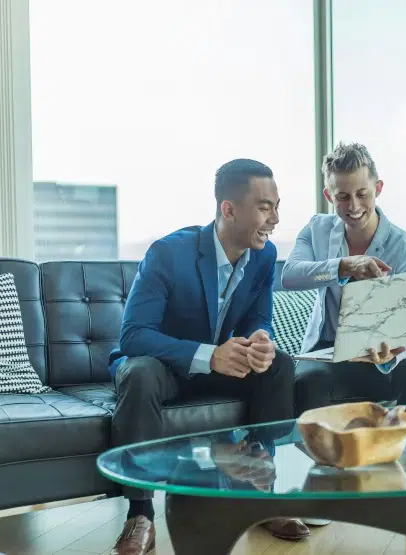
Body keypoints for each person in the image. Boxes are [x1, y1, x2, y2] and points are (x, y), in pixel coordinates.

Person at [107, 159, 309, 555]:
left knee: (279, 364)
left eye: (277, 205)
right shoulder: (168, 253)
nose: (276, 218)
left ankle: (257, 486)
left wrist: (260, 341)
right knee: (140, 374)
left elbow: (258, 317)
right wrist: (209, 355)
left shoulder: (264, 256)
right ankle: (140, 514)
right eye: (265, 207)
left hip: (216, 362)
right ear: (228, 210)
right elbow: (133, 335)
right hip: (162, 364)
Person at [282, 142, 406, 417]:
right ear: (329, 195)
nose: (354, 206)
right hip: (327, 351)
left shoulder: (405, 248)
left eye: (363, 194)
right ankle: (317, 459)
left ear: (379, 188)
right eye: (343, 197)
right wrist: (344, 266)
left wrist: (392, 351)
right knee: (307, 383)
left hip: (384, 353)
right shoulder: (317, 230)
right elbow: (290, 275)